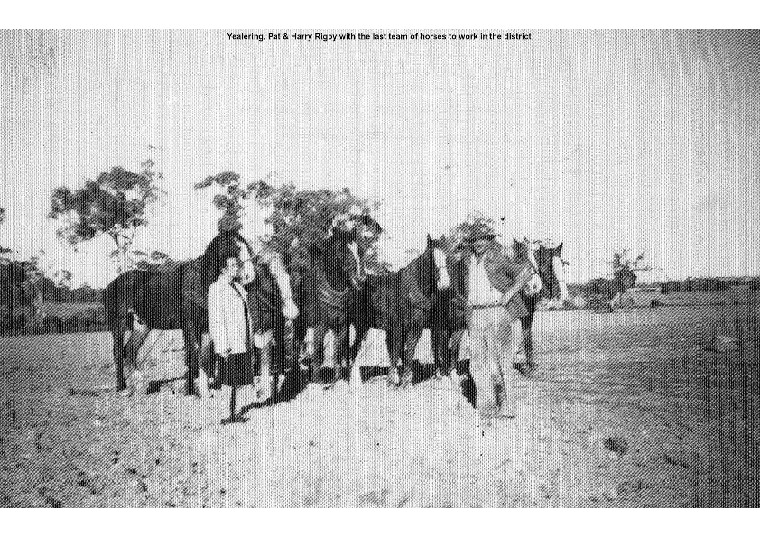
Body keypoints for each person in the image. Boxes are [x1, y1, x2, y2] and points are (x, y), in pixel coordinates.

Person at [458, 226, 538, 423]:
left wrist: (510, 293)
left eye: (483, 239)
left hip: (496, 312)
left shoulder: (498, 258)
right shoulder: (467, 261)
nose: (478, 243)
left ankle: (507, 405)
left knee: (502, 361)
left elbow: (527, 271)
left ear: (489, 240)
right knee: (477, 363)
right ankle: (487, 406)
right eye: (475, 240)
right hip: (474, 314)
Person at [208, 254, 257, 424]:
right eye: (233, 265)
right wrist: (221, 344)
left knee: (237, 379)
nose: (237, 267)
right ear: (223, 269)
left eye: (237, 265)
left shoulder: (238, 287)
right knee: (226, 380)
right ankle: (224, 414)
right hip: (228, 344)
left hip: (241, 342)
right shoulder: (216, 288)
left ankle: (234, 412)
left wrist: (250, 339)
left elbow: (247, 315)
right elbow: (215, 318)